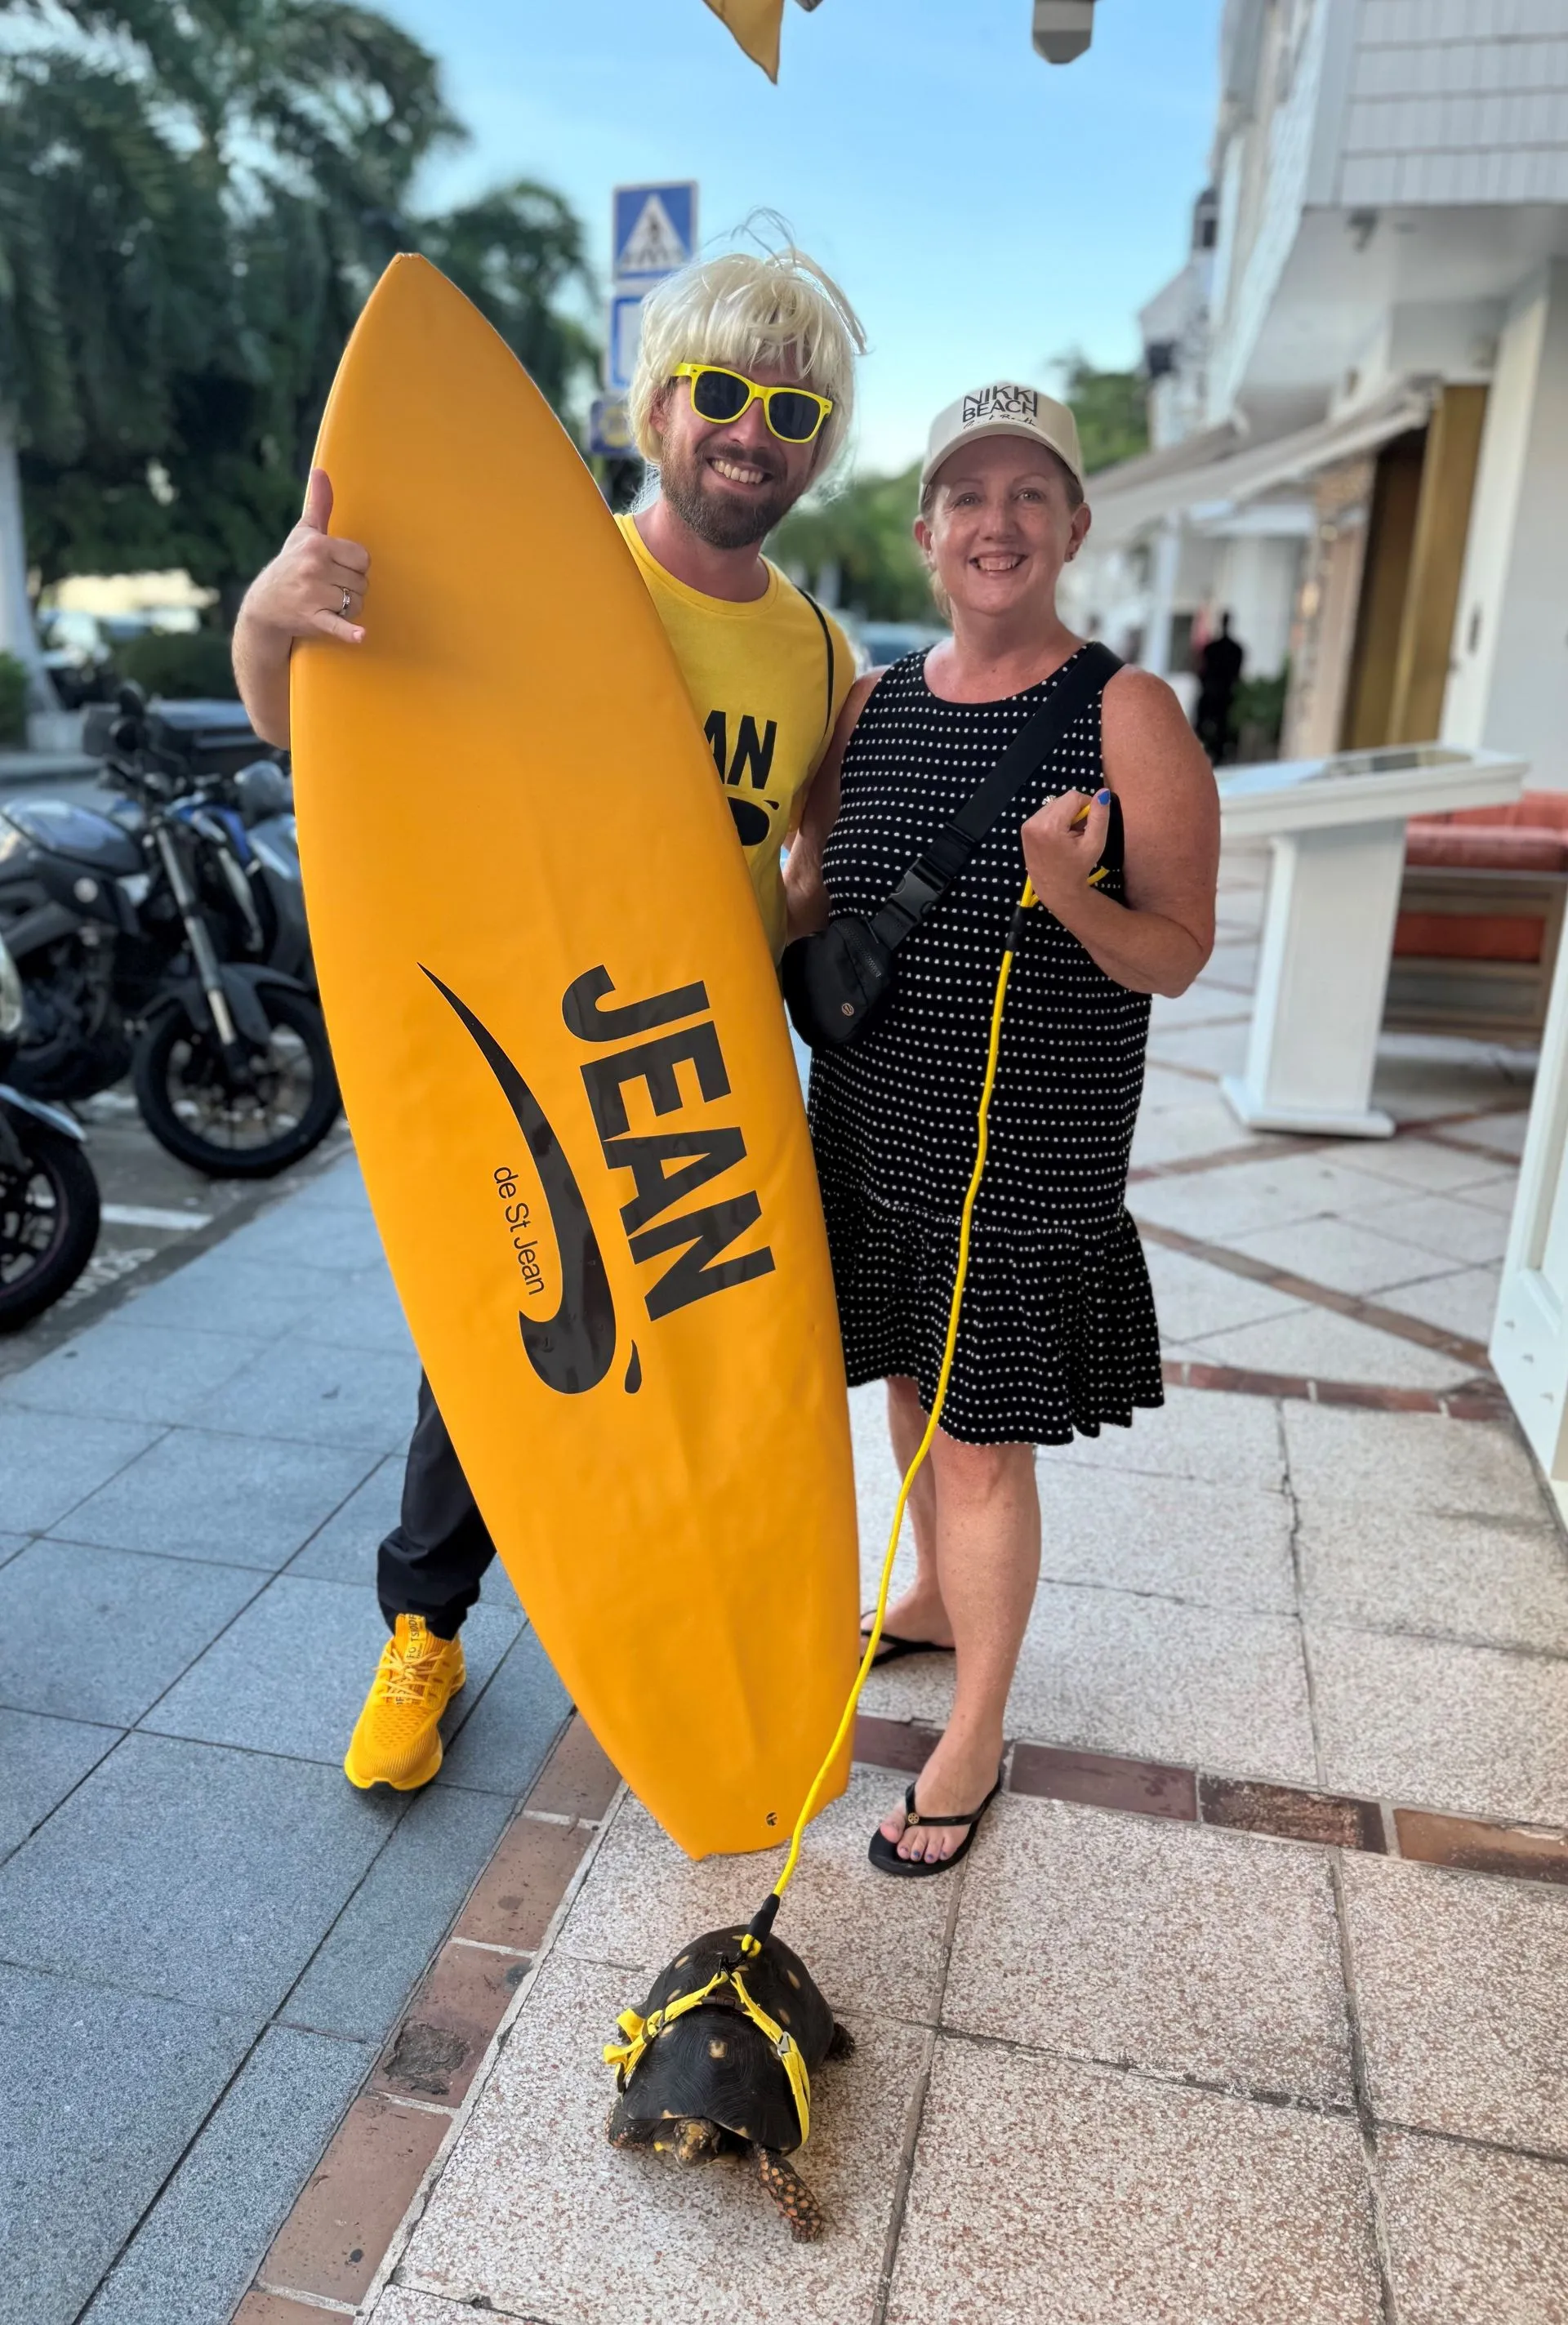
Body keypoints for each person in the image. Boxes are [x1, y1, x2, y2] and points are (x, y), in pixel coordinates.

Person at [231, 243, 863, 1791]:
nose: (752, 430)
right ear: (657, 408)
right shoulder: (540, 577)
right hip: (533, 1037)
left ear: (822, 447)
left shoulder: (820, 653)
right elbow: (335, 748)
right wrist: (265, 621)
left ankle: (688, 1632)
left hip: (698, 1075)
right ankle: (423, 1629)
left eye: (792, 409)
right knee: (505, 1341)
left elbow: (812, 869)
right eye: (721, 391)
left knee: (721, 1371)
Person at [786, 382, 1218, 1873]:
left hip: (1022, 1147)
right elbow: (812, 890)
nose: (997, 521)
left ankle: (974, 1733)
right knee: (911, 1386)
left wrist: (1070, 895)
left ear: (1075, 526)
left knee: (979, 1444)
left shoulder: (1127, 711)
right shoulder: (871, 706)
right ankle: (926, 1596)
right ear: (926, 532)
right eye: (967, 494)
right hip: (871, 1120)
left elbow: (1178, 953)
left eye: (1030, 493)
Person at [1195, 608, 1244, 764]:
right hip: (1217, 693)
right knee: (1209, 726)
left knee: (1217, 727)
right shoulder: (1229, 649)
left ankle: (1213, 752)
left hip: (1219, 693)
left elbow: (1202, 671)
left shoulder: (1219, 649)